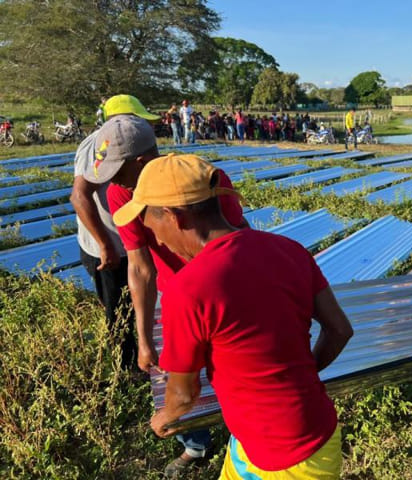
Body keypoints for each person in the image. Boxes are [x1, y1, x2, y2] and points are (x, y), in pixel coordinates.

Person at [111, 154, 353, 479]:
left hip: (288, 458)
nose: (156, 238)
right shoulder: (289, 249)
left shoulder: (189, 290)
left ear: (173, 216)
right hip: (294, 435)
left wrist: (165, 417)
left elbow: (184, 395)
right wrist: (296, 378)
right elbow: (339, 330)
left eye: (151, 224)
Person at [83, 114, 248, 477]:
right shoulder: (119, 193)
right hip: (175, 298)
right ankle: (196, 444)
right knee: (177, 373)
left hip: (223, 295)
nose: (111, 182)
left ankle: (244, 437)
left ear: (141, 163)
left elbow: (239, 239)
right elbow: (140, 267)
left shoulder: (205, 180)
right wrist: (143, 338)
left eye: (117, 171)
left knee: (236, 368)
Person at [70, 94, 161, 369]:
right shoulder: (97, 146)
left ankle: (141, 353)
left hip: (126, 239)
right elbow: (79, 196)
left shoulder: (132, 143)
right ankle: (129, 366)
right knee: (118, 307)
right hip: (106, 245)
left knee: (137, 300)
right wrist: (105, 244)